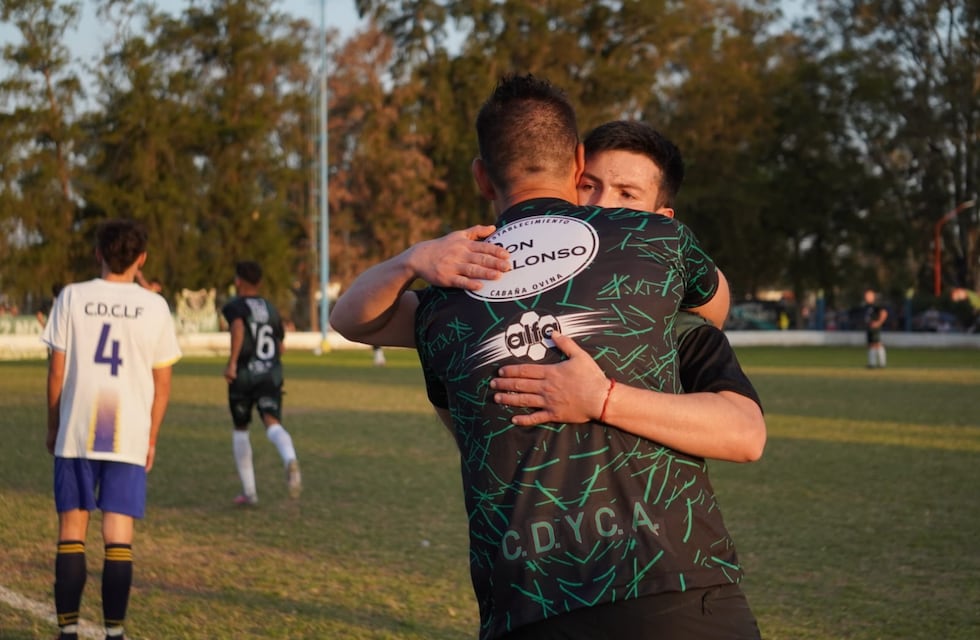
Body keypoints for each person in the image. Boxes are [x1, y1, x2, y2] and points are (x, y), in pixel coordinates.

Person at [332, 75, 754, 639]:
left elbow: (351, 319)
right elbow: (716, 306)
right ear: (577, 165)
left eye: (625, 192)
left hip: (526, 598)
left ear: (482, 176)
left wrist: (414, 259)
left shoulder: (443, 303)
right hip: (674, 582)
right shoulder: (659, 242)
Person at [41, 219, 182, 640]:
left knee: (72, 532)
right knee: (119, 536)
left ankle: (67, 631)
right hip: (127, 430)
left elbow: (56, 372)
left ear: (97, 253)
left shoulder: (72, 297)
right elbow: (163, 383)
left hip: (80, 425)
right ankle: (115, 632)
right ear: (141, 259)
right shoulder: (154, 306)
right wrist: (152, 437)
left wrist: (53, 425)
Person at [221, 260, 301, 505]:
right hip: (270, 373)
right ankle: (289, 458)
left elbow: (237, 328)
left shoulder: (235, 306)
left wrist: (233, 362)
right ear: (260, 282)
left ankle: (250, 493)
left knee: (241, 428)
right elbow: (281, 345)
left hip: (244, 374)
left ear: (237, 281)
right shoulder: (270, 308)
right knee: (272, 422)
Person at [863, 288, 888, 368]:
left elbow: (884, 313)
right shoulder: (867, 306)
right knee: (871, 344)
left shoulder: (877, 305)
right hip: (869, 327)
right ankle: (872, 364)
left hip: (875, 328)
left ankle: (882, 364)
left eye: (869, 295)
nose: (867, 297)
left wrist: (878, 322)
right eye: (866, 295)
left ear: (873, 296)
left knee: (877, 344)